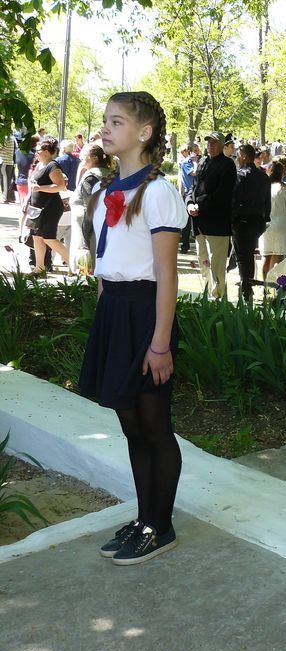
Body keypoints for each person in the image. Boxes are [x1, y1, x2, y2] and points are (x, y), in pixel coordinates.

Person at [79, 91, 188, 565]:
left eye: (116, 121)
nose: (105, 128)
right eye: (104, 120)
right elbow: (107, 267)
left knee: (153, 424)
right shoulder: (105, 193)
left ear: (143, 133)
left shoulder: (159, 193)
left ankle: (160, 526)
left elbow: (167, 274)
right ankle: (145, 516)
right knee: (129, 424)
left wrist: (159, 343)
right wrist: (106, 323)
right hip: (115, 314)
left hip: (146, 315)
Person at [187, 131, 237, 298]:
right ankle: (208, 296)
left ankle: (218, 300)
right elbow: (193, 188)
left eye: (214, 142)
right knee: (204, 262)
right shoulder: (202, 162)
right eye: (208, 142)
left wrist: (199, 205)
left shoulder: (227, 165)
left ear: (222, 145)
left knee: (216, 264)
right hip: (200, 222)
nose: (210, 145)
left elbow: (223, 194)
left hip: (217, 224)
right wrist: (189, 204)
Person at [231, 144, 271, 303]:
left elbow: (234, 198)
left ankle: (246, 287)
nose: (237, 158)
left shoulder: (241, 175)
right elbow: (267, 202)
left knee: (243, 256)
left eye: (239, 155)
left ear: (244, 156)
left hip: (242, 221)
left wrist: (232, 218)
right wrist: (265, 218)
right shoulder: (263, 176)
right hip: (257, 221)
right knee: (248, 255)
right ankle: (247, 285)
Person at [25, 137, 70, 274]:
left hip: (50, 208)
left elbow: (61, 186)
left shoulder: (53, 166)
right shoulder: (41, 165)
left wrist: (39, 188)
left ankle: (73, 263)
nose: (36, 153)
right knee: (37, 237)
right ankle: (39, 268)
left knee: (49, 238)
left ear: (47, 151)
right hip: (38, 209)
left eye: (38, 150)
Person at [71, 142, 114, 272]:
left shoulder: (92, 176)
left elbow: (89, 204)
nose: (81, 158)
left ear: (94, 158)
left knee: (87, 265)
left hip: (88, 227)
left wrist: (85, 242)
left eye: (84, 155)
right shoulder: (111, 173)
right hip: (103, 223)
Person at [261, 161, 286, 280]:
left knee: (266, 256)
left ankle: (264, 285)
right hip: (281, 224)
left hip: (266, 224)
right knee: (278, 257)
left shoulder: (264, 186)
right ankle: (275, 285)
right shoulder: (284, 188)